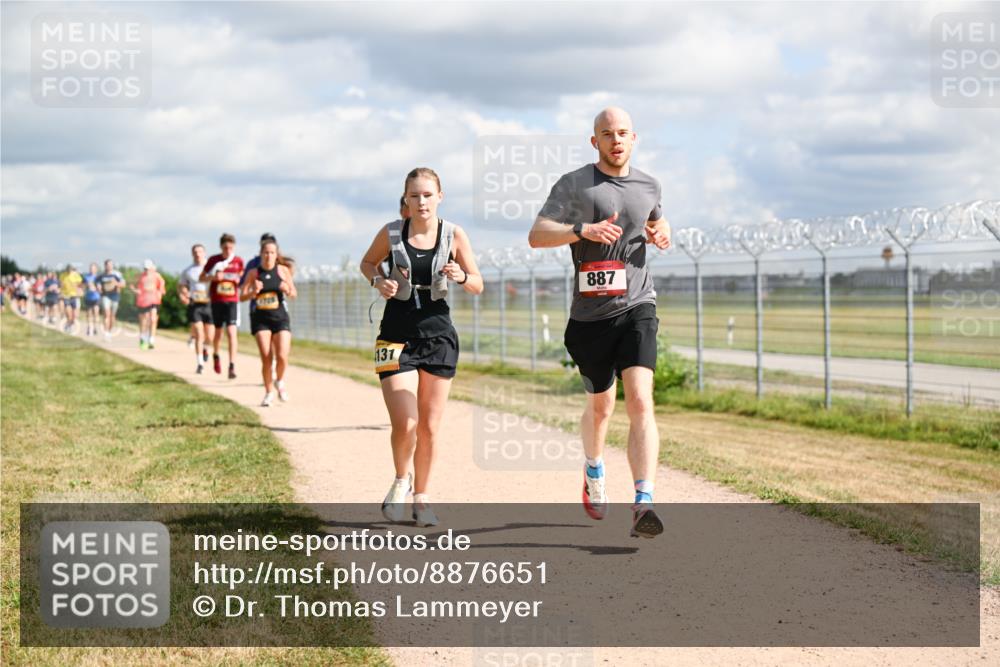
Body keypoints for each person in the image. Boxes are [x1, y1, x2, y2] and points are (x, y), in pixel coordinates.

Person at [528, 107, 672, 538]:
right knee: (601, 406)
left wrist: (663, 233)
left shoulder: (649, 184)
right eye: (607, 134)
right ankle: (593, 468)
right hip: (590, 317)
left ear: (634, 138)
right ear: (595, 141)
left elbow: (655, 220)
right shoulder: (574, 184)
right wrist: (582, 231)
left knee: (641, 400)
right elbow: (537, 235)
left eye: (623, 133)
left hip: (637, 305)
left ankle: (643, 502)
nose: (616, 140)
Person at [360, 167, 483, 527]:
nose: (421, 201)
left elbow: (478, 282)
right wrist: (378, 281)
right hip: (396, 336)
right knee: (406, 421)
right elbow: (367, 263)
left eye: (427, 195)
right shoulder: (391, 233)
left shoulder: (454, 235)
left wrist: (462, 276)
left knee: (429, 426)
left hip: (439, 336)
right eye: (414, 196)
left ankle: (422, 498)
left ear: (439, 197)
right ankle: (401, 479)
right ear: (406, 200)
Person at [241, 240, 296, 406]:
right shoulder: (253, 273)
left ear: (276, 254)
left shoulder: (283, 271)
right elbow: (241, 296)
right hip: (261, 319)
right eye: (265, 252)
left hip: (280, 317)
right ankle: (269, 392)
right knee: (266, 357)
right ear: (261, 253)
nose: (268, 255)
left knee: (282, 356)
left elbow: (294, 293)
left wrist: (287, 289)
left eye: (272, 252)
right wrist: (253, 291)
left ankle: (279, 381)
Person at [201, 233, 244, 379]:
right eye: (225, 247)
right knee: (218, 333)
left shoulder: (238, 261)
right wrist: (213, 277)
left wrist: (240, 281)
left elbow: (243, 279)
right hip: (217, 301)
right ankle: (216, 355)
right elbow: (201, 277)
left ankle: (232, 366)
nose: (228, 250)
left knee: (232, 332)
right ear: (221, 247)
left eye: (231, 248)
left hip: (232, 301)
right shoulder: (214, 260)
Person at [241, 233, 278, 380]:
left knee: (277, 341)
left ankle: (273, 367)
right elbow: (243, 286)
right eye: (265, 245)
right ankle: (269, 369)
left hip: (277, 310)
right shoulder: (252, 265)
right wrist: (253, 291)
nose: (269, 254)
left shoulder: (279, 262)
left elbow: (288, 281)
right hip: (257, 308)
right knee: (265, 346)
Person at [178, 244, 214, 373]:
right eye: (195, 252)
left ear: (204, 253)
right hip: (195, 304)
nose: (198, 254)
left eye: (200, 252)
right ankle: (200, 364)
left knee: (210, 336)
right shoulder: (188, 271)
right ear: (192, 254)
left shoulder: (211, 268)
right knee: (199, 333)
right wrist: (183, 295)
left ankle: (205, 349)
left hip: (210, 304)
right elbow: (182, 286)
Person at [132, 259, 166, 349]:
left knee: (153, 319)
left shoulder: (157, 276)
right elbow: (134, 286)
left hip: (154, 300)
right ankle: (143, 337)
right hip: (143, 301)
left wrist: (160, 292)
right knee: (144, 320)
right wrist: (135, 291)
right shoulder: (140, 277)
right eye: (145, 269)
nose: (146, 270)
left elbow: (162, 286)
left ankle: (151, 339)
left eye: (148, 268)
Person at [98, 259, 126, 339]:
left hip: (115, 296)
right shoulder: (101, 275)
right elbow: (97, 284)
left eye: (110, 264)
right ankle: (106, 332)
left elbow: (123, 284)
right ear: (105, 266)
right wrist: (98, 287)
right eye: (107, 265)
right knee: (107, 314)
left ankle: (109, 331)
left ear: (112, 265)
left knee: (112, 316)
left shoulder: (117, 274)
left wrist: (116, 283)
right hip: (105, 296)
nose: (109, 266)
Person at [58, 264, 84, 333]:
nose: (69, 270)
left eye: (70, 269)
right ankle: (68, 325)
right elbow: (61, 285)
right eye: (68, 269)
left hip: (74, 296)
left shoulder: (76, 275)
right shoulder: (62, 275)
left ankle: (69, 324)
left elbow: (80, 284)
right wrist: (61, 292)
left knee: (75, 315)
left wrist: (80, 291)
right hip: (66, 296)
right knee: (69, 313)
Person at [81, 263, 102, 336]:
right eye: (90, 268)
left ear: (96, 269)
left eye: (93, 268)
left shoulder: (99, 277)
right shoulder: (86, 277)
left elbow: (101, 288)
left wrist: (97, 288)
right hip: (88, 297)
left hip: (96, 297)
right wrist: (87, 286)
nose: (91, 269)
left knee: (96, 313)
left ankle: (95, 327)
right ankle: (90, 328)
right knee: (89, 314)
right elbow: (82, 286)